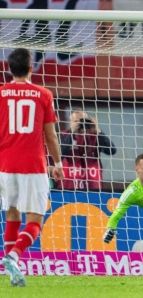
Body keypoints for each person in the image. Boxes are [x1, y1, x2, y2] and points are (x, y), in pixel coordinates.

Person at [0, 48, 64, 287]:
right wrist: (57, 164)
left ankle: (11, 269)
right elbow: (50, 136)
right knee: (35, 219)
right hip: (33, 166)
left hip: (5, 166)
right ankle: (13, 257)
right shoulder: (43, 94)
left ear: (9, 68)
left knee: (12, 215)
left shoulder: (1, 94)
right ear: (30, 68)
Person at [58, 109, 116, 191]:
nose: (80, 124)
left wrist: (98, 131)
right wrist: (72, 133)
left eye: (83, 120)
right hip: (68, 186)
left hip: (92, 185)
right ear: (70, 123)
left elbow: (111, 151)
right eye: (77, 121)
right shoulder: (63, 135)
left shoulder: (94, 136)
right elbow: (59, 155)